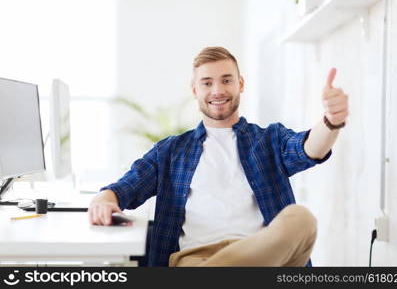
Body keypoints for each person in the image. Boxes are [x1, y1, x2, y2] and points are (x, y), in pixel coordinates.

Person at [88, 46, 349, 267]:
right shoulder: (171, 151)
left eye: (226, 80)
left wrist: (331, 121)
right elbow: (125, 188)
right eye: (207, 83)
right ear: (195, 91)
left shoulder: (269, 139)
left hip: (263, 253)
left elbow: (309, 149)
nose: (217, 91)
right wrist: (103, 199)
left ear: (240, 84)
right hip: (196, 259)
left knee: (301, 218)